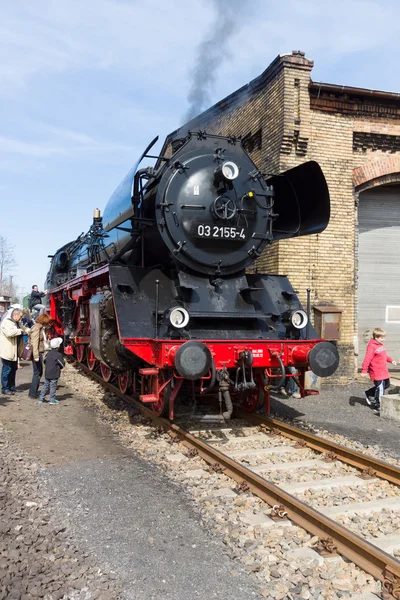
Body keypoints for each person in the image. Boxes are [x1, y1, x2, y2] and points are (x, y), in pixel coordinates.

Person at [361, 327, 397, 416]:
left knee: (387, 384)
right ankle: (378, 405)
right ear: (376, 337)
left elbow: (384, 356)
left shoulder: (380, 345)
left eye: (384, 337)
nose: (384, 339)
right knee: (380, 387)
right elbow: (367, 359)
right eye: (382, 337)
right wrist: (364, 370)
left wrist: (391, 360)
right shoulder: (371, 346)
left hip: (383, 370)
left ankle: (369, 393)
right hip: (376, 371)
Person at [0, 308, 30, 395]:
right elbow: (9, 333)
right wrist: (21, 331)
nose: (21, 318)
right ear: (15, 315)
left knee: (13, 369)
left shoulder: (15, 322)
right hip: (7, 350)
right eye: (20, 316)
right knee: (7, 370)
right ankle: (5, 388)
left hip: (14, 351)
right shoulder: (6, 322)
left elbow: (22, 327)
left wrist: (27, 330)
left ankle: (12, 387)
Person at [28, 313, 51, 399]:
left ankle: (33, 392)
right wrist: (36, 356)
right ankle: (33, 393)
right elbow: (35, 342)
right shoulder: (37, 328)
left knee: (38, 372)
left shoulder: (41, 328)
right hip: (36, 353)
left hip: (39, 352)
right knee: (37, 373)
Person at [39, 337, 65, 405]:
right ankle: (52, 400)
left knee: (45, 385)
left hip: (47, 373)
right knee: (53, 386)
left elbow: (44, 361)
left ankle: (41, 398)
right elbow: (62, 364)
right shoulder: (58, 355)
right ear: (58, 346)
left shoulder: (48, 354)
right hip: (54, 373)